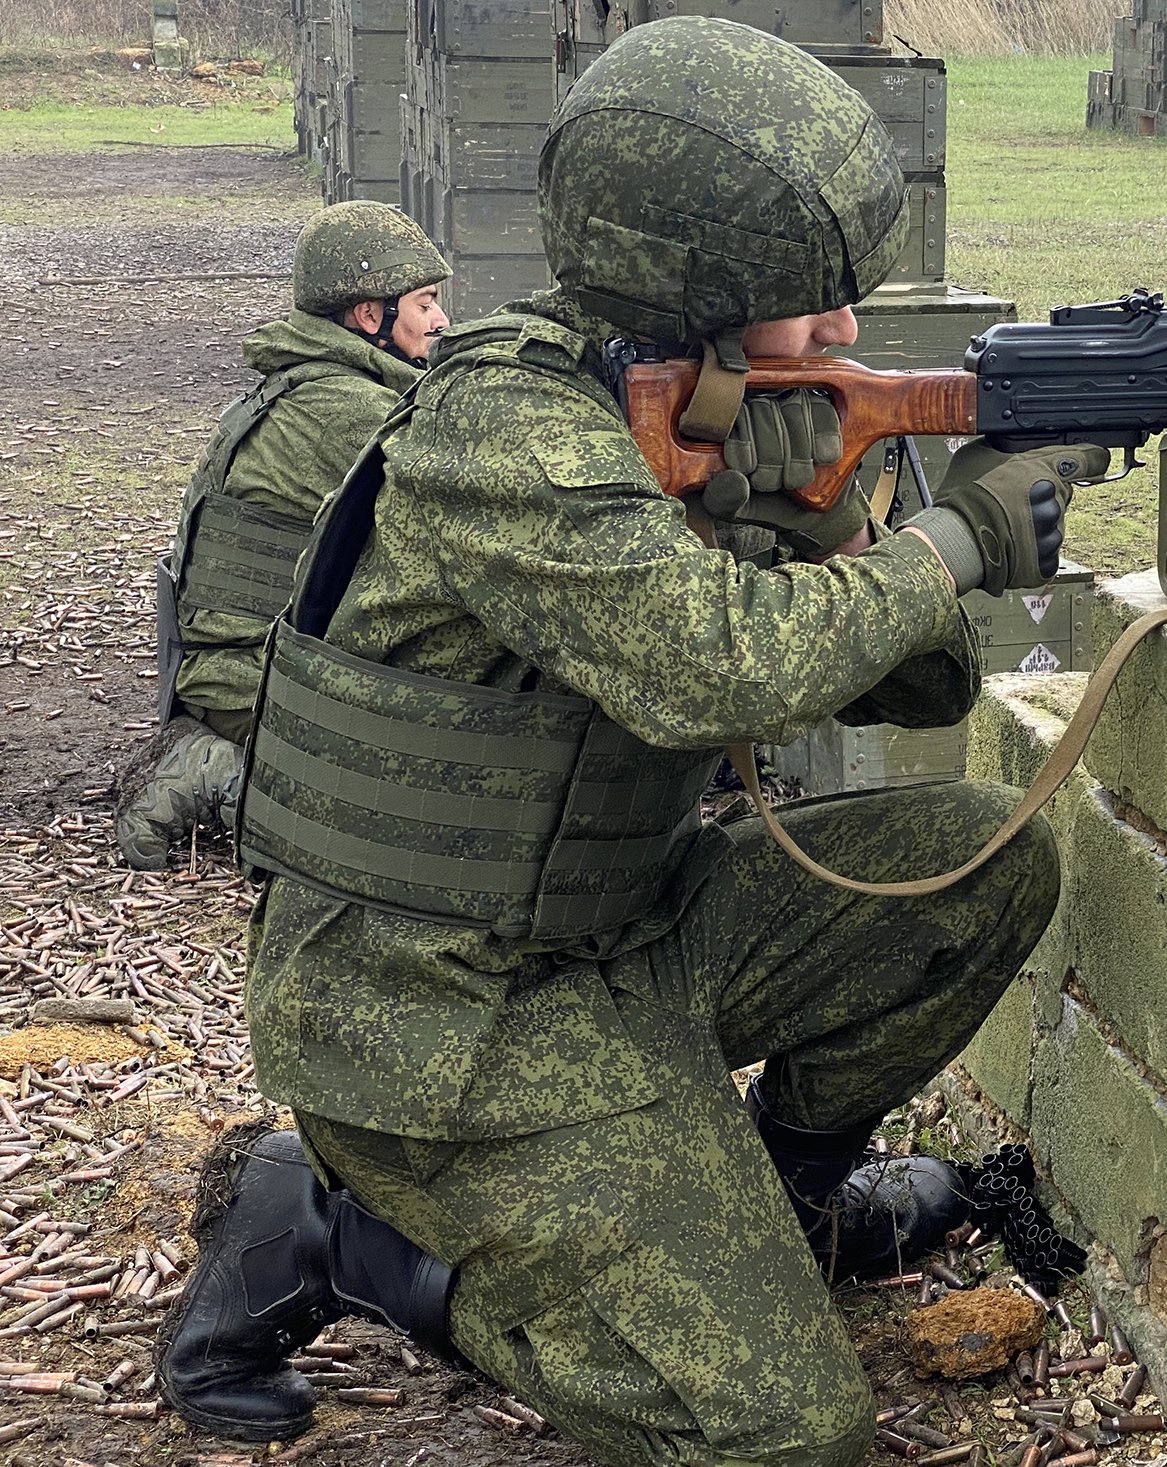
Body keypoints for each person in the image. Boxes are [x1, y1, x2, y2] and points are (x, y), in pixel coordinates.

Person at [156, 19, 1101, 1466]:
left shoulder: (688, 421)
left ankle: (785, 1212)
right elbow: (708, 667)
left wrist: (832, 517)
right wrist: (952, 543)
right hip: (439, 1022)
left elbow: (925, 702)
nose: (845, 333)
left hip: (622, 933)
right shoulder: (511, 434)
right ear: (701, 306)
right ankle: (351, 1238)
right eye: (812, 303)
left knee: (979, 861)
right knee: (783, 1433)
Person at [114, 201, 451, 870]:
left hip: (243, 669)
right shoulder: (347, 411)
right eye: (425, 302)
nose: (441, 320)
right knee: (413, 824)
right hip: (249, 684)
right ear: (368, 316)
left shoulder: (314, 388)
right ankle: (211, 773)